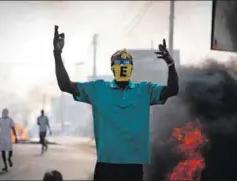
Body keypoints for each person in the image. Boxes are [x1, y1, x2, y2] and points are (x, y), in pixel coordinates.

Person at [53, 25, 179, 180]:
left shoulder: (144, 90)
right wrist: (57, 54)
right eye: (119, 62)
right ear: (112, 68)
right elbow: (65, 85)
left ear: (131, 68)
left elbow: (172, 90)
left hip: (133, 166)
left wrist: (171, 65)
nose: (123, 65)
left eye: (126, 63)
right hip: (106, 165)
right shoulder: (98, 89)